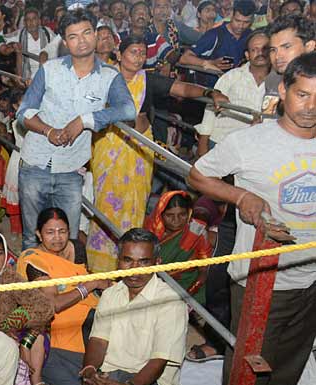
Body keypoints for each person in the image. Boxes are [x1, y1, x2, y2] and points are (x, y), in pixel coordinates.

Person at [188, 53, 316, 385]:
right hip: (261, 276)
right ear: (283, 92)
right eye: (302, 94)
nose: (310, 105)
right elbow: (198, 175)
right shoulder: (251, 141)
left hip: (310, 274)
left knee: (289, 361)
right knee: (249, 359)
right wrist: (241, 196)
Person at [88, 33, 228, 272]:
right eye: (133, 51)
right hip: (109, 148)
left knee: (135, 204)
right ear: (119, 54)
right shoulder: (103, 78)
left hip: (138, 152)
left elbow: (181, 89)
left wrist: (209, 93)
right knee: (106, 204)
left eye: (143, 53)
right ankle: (101, 267)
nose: (139, 57)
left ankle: (128, 264)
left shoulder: (148, 80)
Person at [16, 8, 136, 249]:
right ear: (64, 41)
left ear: (95, 34)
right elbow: (24, 112)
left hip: (71, 169)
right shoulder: (49, 69)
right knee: (31, 235)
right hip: (35, 163)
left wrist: (84, 120)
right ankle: (33, 285)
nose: (81, 41)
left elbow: (128, 110)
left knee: (67, 239)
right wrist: (48, 130)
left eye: (86, 33)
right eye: (73, 36)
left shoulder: (110, 76)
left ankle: (63, 285)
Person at [40, 228, 187, 385]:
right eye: (127, 260)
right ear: (119, 262)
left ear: (157, 263)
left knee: (114, 378)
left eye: (143, 262)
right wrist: (89, 371)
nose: (134, 270)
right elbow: (99, 341)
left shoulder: (170, 301)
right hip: (106, 372)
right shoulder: (111, 294)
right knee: (47, 355)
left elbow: (158, 362)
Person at [17, 208, 109, 385]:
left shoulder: (76, 248)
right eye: (50, 232)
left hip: (91, 310)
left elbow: (82, 274)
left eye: (63, 231)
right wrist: (89, 286)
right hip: (58, 321)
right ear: (38, 234)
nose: (57, 238)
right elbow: (54, 304)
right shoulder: (33, 259)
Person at [196, 29, 270, 157]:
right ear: (247, 55)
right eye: (254, 50)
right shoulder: (231, 77)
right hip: (223, 140)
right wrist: (203, 144)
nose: (260, 53)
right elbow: (210, 110)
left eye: (265, 49)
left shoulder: (280, 82)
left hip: (259, 146)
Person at [144, 190, 213, 303]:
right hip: (151, 282)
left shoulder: (196, 231)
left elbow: (205, 266)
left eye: (182, 215)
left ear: (189, 213)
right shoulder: (148, 230)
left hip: (186, 283)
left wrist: (192, 290)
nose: (176, 220)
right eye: (170, 215)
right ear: (160, 214)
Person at [178, 0, 255, 86]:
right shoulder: (215, 35)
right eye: (238, 21)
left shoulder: (250, 35)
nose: (241, 26)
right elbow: (184, 58)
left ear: (252, 20)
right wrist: (209, 63)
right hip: (212, 88)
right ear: (232, 15)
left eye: (246, 22)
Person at [261, 15, 315, 116]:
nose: (277, 56)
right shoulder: (273, 79)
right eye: (273, 50)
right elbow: (268, 118)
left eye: (286, 47)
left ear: (309, 46)